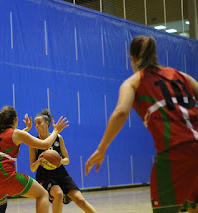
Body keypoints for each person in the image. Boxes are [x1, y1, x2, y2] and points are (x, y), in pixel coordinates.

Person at [85, 35, 198, 213]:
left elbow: (121, 112)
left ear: (133, 58)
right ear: (155, 56)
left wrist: (102, 148)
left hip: (175, 154)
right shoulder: (182, 76)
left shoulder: (134, 82)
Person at [0, 106, 69, 213]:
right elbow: (45, 144)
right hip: (4, 175)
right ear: (16, 120)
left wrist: (26, 130)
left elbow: (12, 138)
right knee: (42, 194)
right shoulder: (17, 133)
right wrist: (56, 131)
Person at [30, 109, 97, 213]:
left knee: (80, 200)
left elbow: (67, 159)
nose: (37, 126)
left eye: (39, 123)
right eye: (35, 124)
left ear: (47, 123)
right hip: (45, 175)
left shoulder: (58, 138)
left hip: (60, 173)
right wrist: (38, 162)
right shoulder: (34, 142)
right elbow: (32, 168)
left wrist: (59, 161)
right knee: (58, 193)